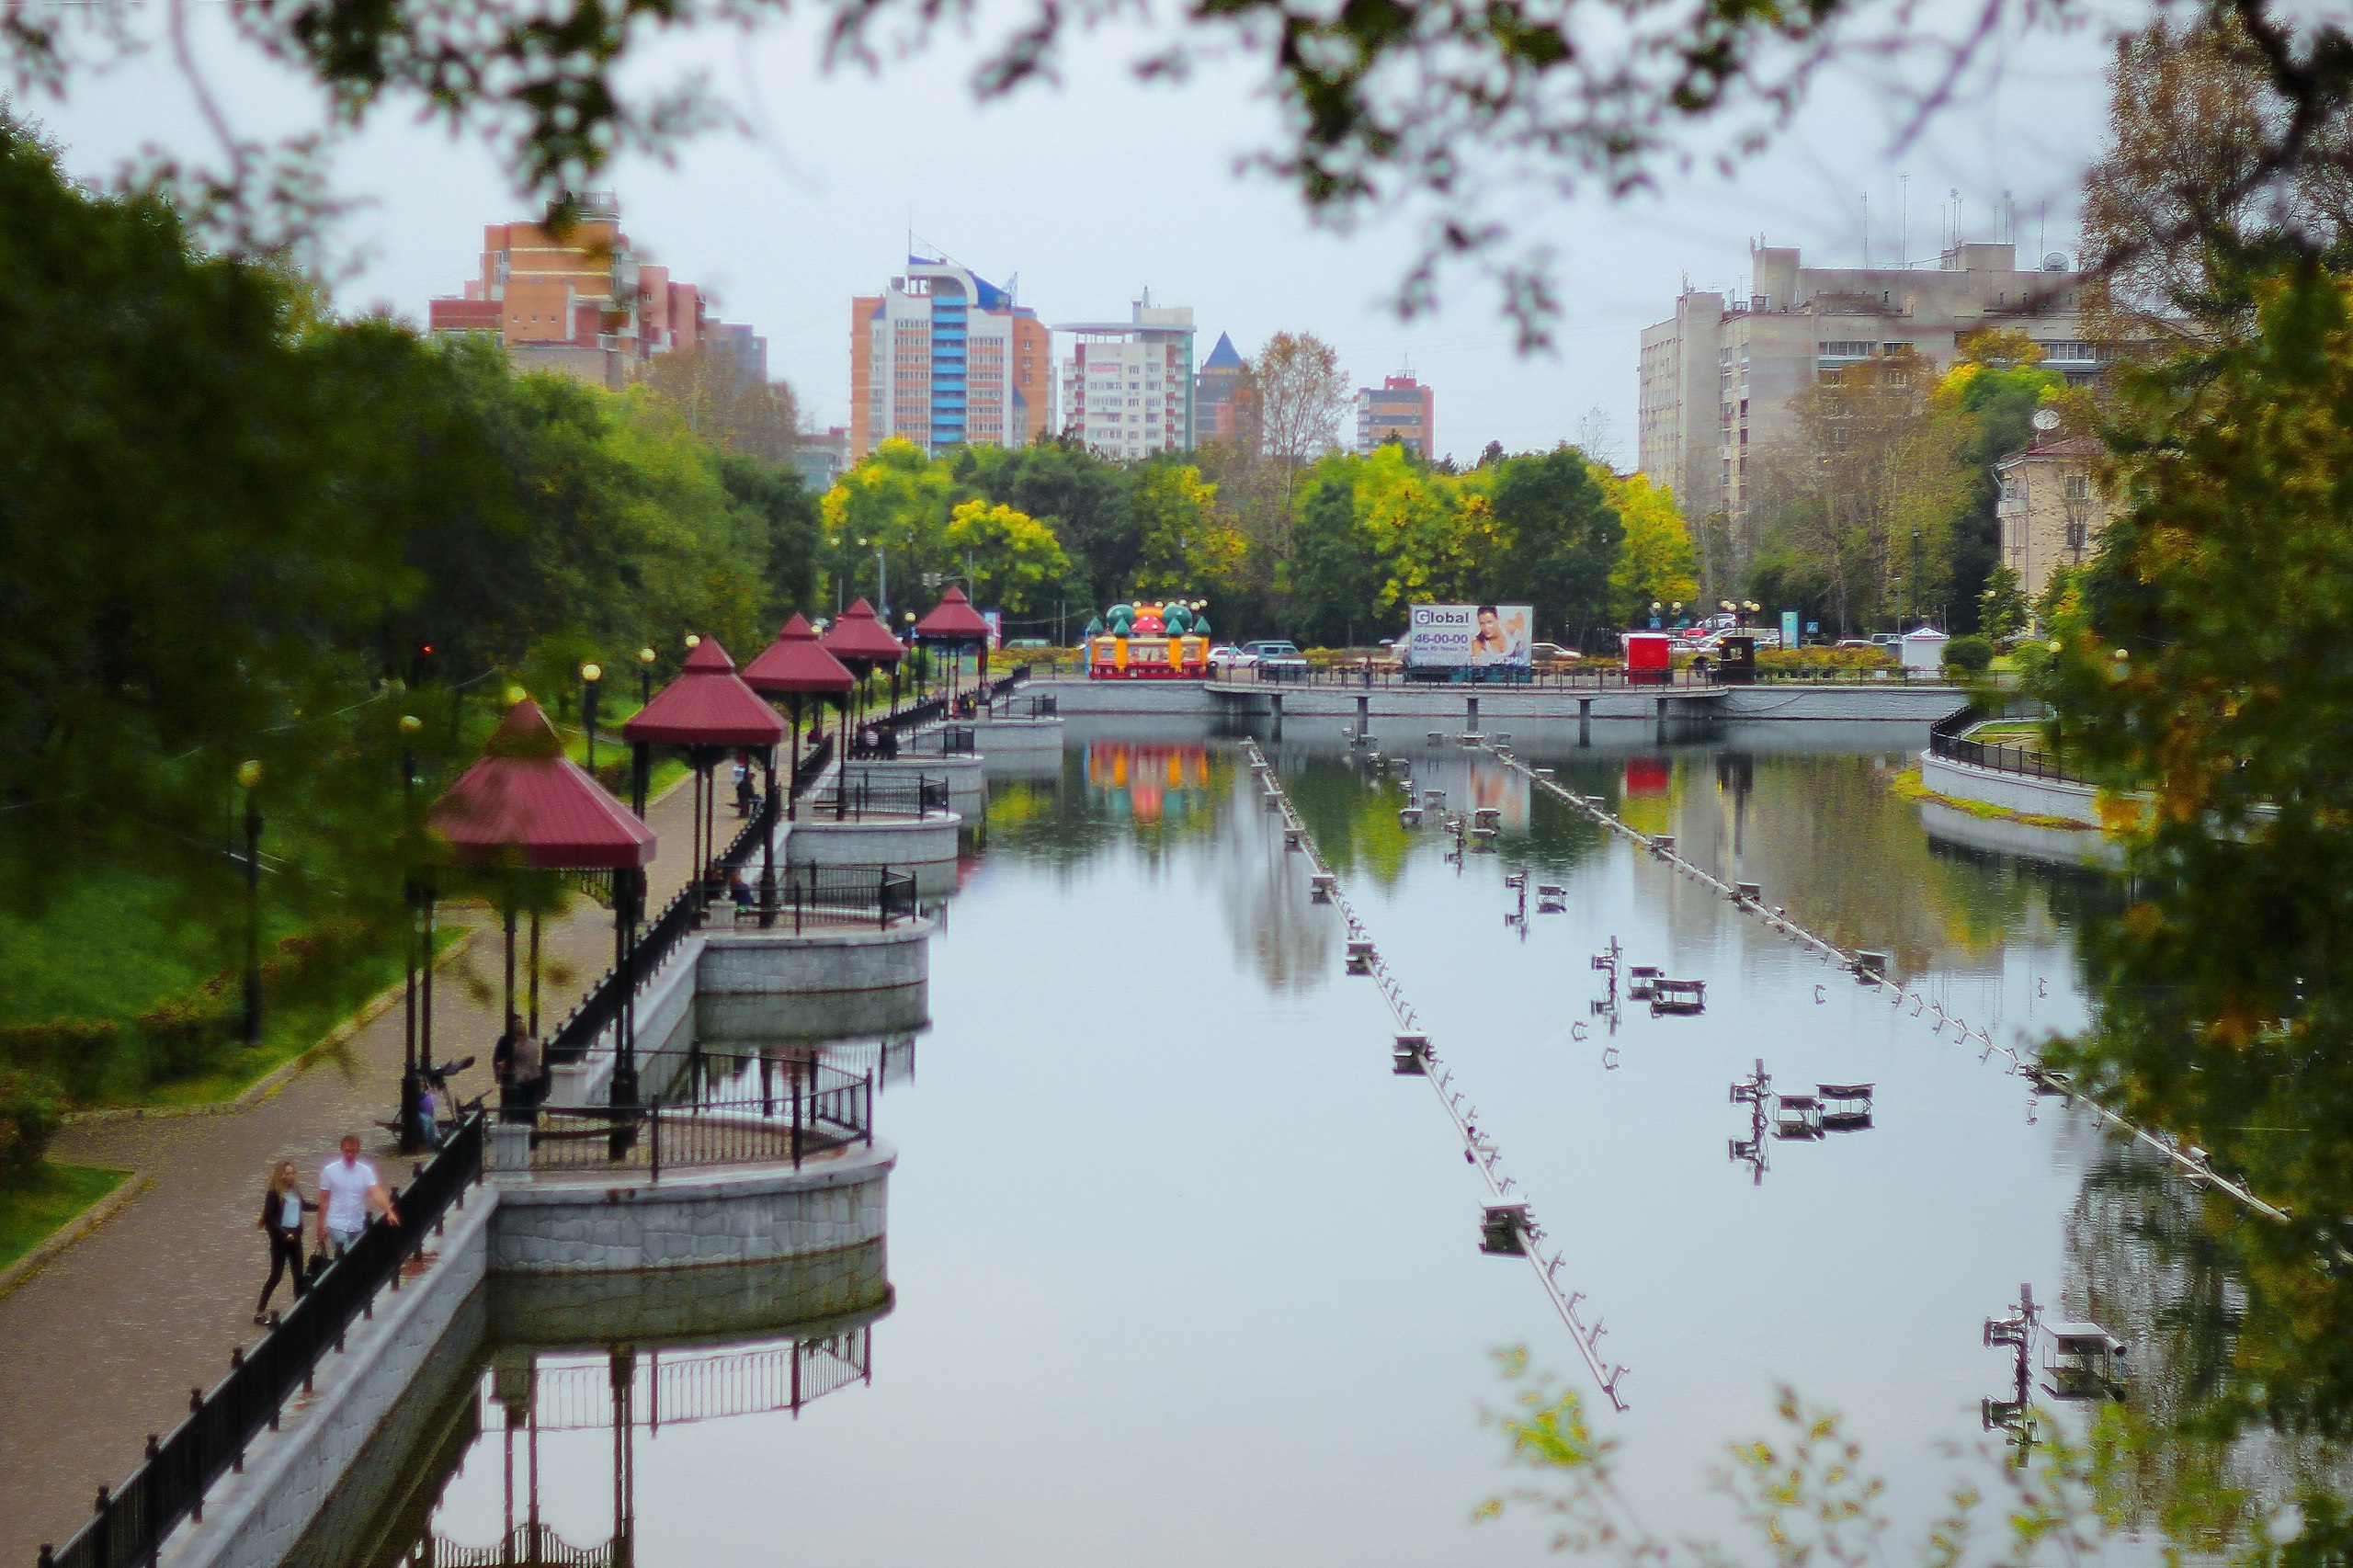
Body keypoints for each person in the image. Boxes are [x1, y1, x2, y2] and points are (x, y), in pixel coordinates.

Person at [315, 1134, 398, 1260]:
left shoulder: (365, 1171)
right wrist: (321, 1226)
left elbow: (375, 1192)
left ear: (358, 1151)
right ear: (341, 1150)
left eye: (353, 1151)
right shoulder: (329, 1171)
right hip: (336, 1223)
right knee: (346, 1256)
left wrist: (389, 1211)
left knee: (357, 1258)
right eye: (347, 1151)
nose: (349, 1154)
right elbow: (324, 1201)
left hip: (357, 1223)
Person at [256, 1159, 313, 1323]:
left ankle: (300, 1310)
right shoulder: (274, 1192)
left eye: (293, 1173)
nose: (291, 1176)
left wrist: (320, 1206)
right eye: (287, 1173)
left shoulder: (295, 1190)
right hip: (281, 1239)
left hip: (295, 1236)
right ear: (280, 1175)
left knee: (298, 1276)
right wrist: (283, 1234)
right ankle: (260, 1310)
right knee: (276, 1275)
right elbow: (270, 1219)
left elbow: (303, 1206)